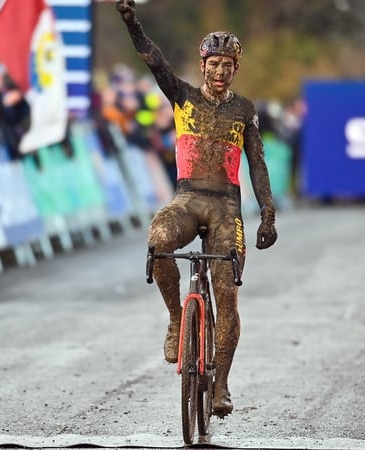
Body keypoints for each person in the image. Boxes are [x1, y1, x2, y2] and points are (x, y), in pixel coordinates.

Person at [115, 0, 278, 418]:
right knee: (158, 239)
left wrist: (268, 214)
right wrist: (131, 21)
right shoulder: (182, 96)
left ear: (235, 69)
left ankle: (221, 385)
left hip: (226, 207)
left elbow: (257, 165)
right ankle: (175, 318)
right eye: (214, 63)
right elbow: (153, 59)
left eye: (228, 65)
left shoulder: (245, 110)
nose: (221, 71)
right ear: (202, 64)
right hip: (188, 199)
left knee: (227, 297)